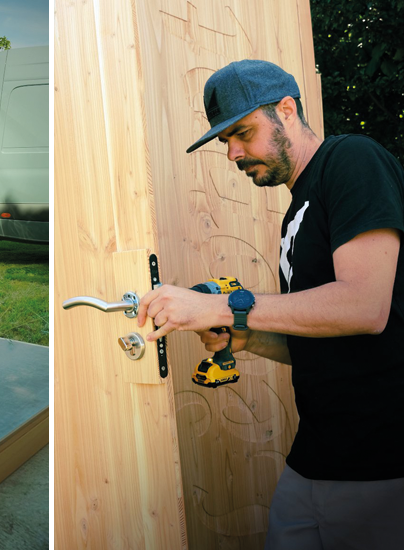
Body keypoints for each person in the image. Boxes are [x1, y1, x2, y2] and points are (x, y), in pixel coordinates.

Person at [136, 59, 404, 550]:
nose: (234, 153)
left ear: (287, 109)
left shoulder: (352, 159)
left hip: (382, 465)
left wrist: (225, 307)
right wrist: (244, 335)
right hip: (316, 456)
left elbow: (366, 306)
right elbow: (317, 341)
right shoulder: (296, 214)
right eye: (225, 141)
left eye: (243, 132)